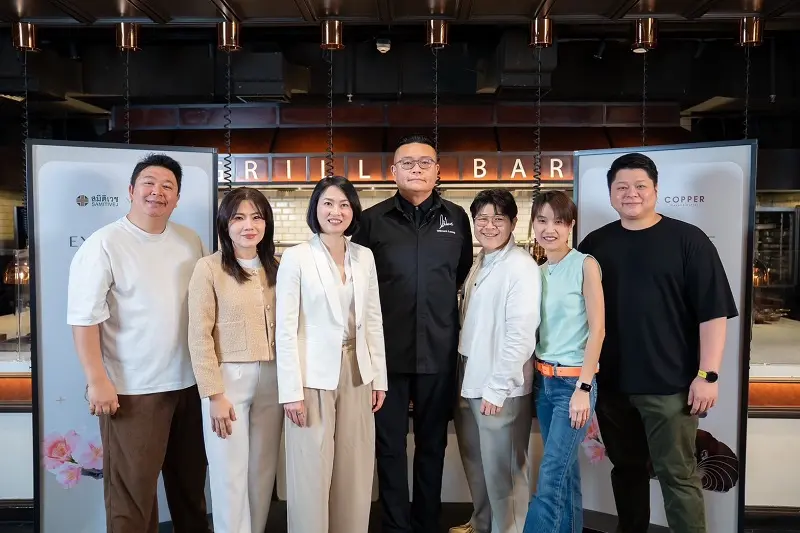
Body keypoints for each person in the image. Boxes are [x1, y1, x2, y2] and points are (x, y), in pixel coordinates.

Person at [577, 153, 738, 533]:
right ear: (611, 194)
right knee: (626, 471)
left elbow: (713, 313)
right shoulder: (595, 244)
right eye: (621, 187)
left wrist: (708, 375)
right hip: (612, 386)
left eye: (640, 186)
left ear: (655, 190)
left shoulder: (689, 240)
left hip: (670, 388)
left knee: (678, 475)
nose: (630, 194)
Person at [66, 153, 210, 533]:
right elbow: (83, 319)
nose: (157, 192)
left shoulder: (190, 240)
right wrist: (97, 380)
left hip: (190, 386)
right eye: (149, 183)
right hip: (133, 391)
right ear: (131, 190)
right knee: (132, 498)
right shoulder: (104, 244)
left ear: (177, 198)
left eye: (167, 186)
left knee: (191, 492)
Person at [351, 134, 474, 533]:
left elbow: (459, 273)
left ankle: (426, 523)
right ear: (393, 171)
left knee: (433, 444)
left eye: (424, 163)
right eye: (407, 163)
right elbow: (359, 283)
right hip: (386, 355)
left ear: (438, 171)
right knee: (388, 446)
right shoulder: (371, 220)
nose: (416, 169)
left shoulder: (457, 218)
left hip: (439, 350)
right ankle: (395, 526)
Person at [275, 176, 388, 533]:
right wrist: (290, 391)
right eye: (328, 203)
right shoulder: (296, 256)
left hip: (357, 370)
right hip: (311, 376)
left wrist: (379, 379)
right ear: (316, 208)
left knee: (355, 468)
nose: (335, 211)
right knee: (311, 470)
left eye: (343, 204)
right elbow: (285, 328)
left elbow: (373, 319)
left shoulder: (364, 256)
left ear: (353, 211)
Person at [187, 187, 283, 533]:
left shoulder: (277, 267)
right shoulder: (209, 268)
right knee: (229, 473)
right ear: (225, 224)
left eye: (257, 217)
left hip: (273, 379)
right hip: (228, 381)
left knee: (262, 471)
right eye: (239, 217)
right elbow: (198, 335)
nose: (249, 225)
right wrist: (213, 394)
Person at [451, 189, 541, 533]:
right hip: (468, 372)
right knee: (477, 461)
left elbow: (521, 333)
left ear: (513, 223)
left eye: (498, 219)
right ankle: (482, 523)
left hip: (499, 381)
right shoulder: (482, 259)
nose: (489, 226)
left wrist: (499, 386)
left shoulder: (520, 266)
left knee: (505, 471)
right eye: (482, 219)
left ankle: (509, 529)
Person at [522, 190, 605, 533]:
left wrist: (584, 388)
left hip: (573, 384)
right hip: (544, 383)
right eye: (542, 220)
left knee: (551, 475)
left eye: (558, 221)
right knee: (565, 474)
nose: (549, 229)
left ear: (570, 226)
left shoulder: (585, 264)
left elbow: (598, 330)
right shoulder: (537, 271)